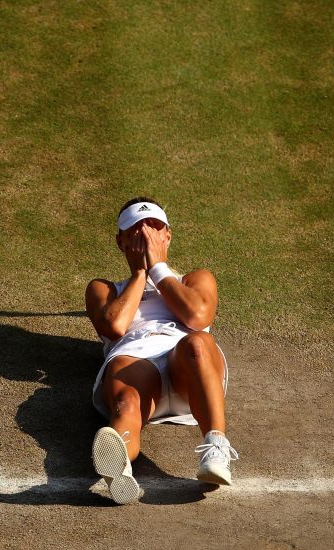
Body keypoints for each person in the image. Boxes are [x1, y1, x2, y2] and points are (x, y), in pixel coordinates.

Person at [84, 197, 238, 504]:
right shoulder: (103, 289)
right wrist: (140, 274)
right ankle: (120, 468)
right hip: (136, 362)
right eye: (136, 231)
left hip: (190, 370)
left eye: (153, 229)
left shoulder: (196, 279)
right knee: (126, 404)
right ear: (121, 242)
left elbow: (196, 316)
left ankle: (215, 449)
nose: (145, 237)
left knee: (196, 342)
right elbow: (115, 327)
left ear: (167, 235)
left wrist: (157, 268)